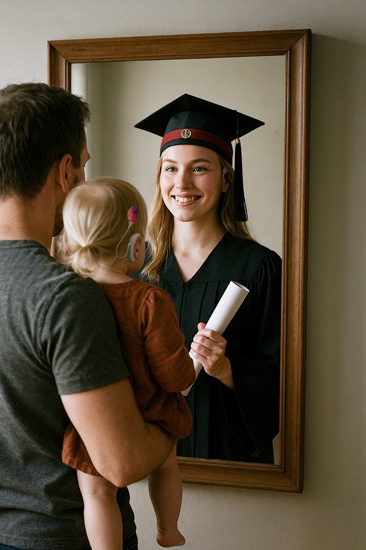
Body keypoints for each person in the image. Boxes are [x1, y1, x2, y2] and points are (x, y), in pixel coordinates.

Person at [0, 82, 186, 550]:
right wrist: (173, 427)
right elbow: (122, 462)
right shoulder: (65, 295)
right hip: (63, 538)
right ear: (64, 170)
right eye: (85, 164)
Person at [55, 178, 214, 549]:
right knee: (167, 462)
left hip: (92, 422)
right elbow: (173, 376)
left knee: (95, 492)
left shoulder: (67, 293)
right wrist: (194, 363)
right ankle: (167, 530)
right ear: (136, 246)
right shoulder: (148, 299)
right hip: (150, 412)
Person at [135, 94, 282, 464]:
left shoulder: (260, 267)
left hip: (228, 458)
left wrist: (227, 369)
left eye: (199, 168)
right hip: (153, 457)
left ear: (226, 181)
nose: (181, 183)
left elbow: (283, 379)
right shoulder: (139, 268)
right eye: (170, 168)